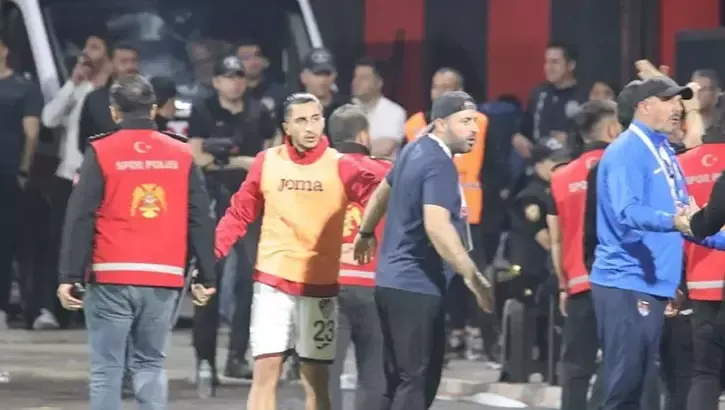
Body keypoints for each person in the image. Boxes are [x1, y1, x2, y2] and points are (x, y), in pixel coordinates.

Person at [55, 74, 217, 410]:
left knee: (107, 368)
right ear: (154, 109)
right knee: (151, 363)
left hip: (110, 275)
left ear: (115, 112)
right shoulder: (182, 152)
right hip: (163, 276)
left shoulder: (101, 150)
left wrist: (70, 275)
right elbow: (200, 216)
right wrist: (206, 273)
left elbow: (81, 216)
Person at [214, 92, 382, 410]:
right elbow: (239, 212)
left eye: (316, 119)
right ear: (286, 127)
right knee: (266, 371)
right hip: (272, 281)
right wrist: (213, 254)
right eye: (301, 120)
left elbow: (384, 193)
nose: (310, 127)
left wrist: (368, 231)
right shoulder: (267, 161)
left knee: (316, 379)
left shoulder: (341, 165)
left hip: (320, 288)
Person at [352, 91, 493, 409]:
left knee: (396, 380)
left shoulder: (414, 148)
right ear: (441, 124)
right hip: (416, 286)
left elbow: (382, 191)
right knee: (417, 381)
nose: (474, 129)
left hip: (390, 283)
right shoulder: (439, 163)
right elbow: (437, 226)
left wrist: (365, 231)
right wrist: (471, 275)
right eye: (465, 121)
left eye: (475, 121)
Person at [589, 76, 697, 410]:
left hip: (652, 284)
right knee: (624, 391)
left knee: (638, 389)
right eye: (669, 100)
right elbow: (628, 211)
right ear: (644, 106)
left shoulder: (664, 152)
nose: (678, 107)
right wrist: (674, 222)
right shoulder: (627, 150)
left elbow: (688, 220)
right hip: (626, 282)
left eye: (679, 101)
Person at [187, 55, 279, 385]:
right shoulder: (203, 109)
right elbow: (196, 156)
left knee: (250, 279)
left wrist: (241, 162)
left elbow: (272, 153)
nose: (235, 82)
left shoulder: (259, 110)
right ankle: (205, 360)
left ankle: (237, 357)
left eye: (239, 76)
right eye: (228, 76)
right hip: (214, 201)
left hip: (250, 202)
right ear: (216, 81)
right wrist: (242, 162)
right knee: (208, 278)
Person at [403, 67, 490, 359]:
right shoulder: (414, 125)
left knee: (472, 273)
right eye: (436, 87)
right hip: (431, 212)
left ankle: (477, 334)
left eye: (448, 87)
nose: (440, 93)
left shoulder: (480, 123)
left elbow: (494, 168)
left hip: (471, 213)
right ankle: (446, 335)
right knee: (439, 275)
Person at [547, 99, 620, 410]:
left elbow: (556, 240)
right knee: (619, 359)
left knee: (576, 367)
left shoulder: (561, 176)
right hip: (617, 281)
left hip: (578, 283)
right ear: (612, 128)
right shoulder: (621, 167)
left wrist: (563, 285)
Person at [38, 35, 112, 330]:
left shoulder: (113, 94)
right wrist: (73, 82)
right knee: (60, 243)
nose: (86, 53)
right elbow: (49, 119)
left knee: (96, 248)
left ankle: (89, 309)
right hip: (68, 177)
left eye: (94, 47)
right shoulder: (77, 88)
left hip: (103, 181)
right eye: (85, 47)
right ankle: (52, 309)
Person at [326, 104, 390, 410]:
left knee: (324, 373)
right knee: (375, 373)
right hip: (374, 283)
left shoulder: (315, 173)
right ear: (363, 135)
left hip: (326, 285)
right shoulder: (387, 172)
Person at [504, 143, 567, 381]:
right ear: (539, 165)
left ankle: (547, 365)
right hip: (530, 271)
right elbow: (546, 238)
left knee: (547, 320)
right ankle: (526, 367)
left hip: (545, 270)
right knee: (531, 318)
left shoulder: (554, 190)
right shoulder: (532, 195)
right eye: (554, 162)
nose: (559, 166)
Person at [0, 33, 43, 328]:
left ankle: (8, 306)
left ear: (5, 50)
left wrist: (24, 170)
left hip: (8, 173)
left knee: (8, 242)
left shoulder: (23, 88)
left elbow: (32, 132)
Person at [511, 42, 586, 157]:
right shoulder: (539, 93)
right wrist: (518, 137)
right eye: (547, 62)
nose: (549, 67)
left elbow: (593, 135)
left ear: (571, 65)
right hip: (538, 161)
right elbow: (524, 127)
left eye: (555, 62)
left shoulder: (584, 96)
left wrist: (571, 140)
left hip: (570, 161)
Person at [78, 41, 139, 151]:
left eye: (134, 61)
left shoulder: (152, 97)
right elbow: (84, 143)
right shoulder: (95, 100)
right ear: (111, 64)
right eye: (124, 62)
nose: (130, 67)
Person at [351, 57, 406, 157]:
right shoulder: (346, 109)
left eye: (364, 78)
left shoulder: (394, 112)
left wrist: (350, 150)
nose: (356, 82)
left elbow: (385, 148)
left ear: (379, 83)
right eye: (355, 76)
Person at [293, 47, 348, 137]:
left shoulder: (346, 109)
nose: (323, 80)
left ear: (334, 76)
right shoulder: (292, 109)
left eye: (326, 74)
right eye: (317, 74)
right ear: (303, 77)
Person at [235, 38, 286, 116]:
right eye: (246, 57)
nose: (253, 61)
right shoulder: (228, 95)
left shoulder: (281, 95)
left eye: (257, 55)